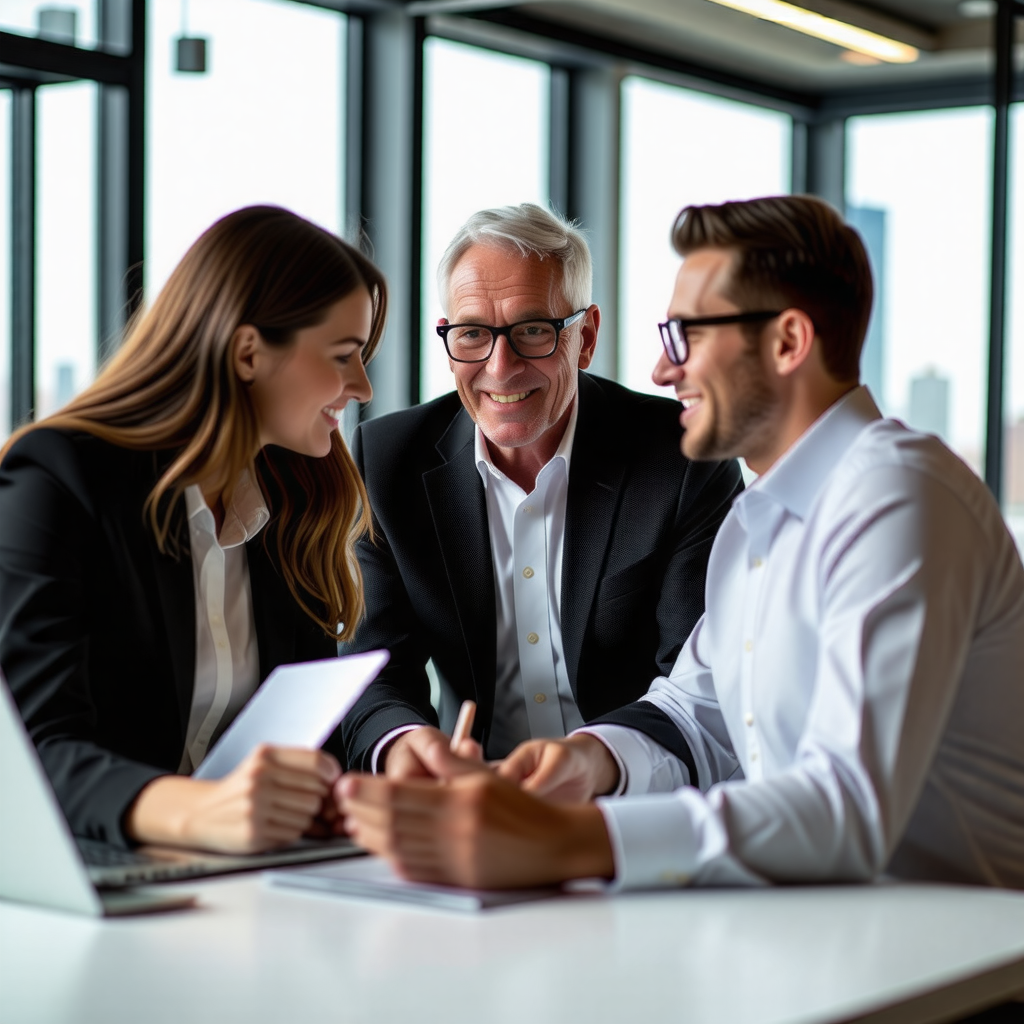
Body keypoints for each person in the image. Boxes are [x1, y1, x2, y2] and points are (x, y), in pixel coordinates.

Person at [337, 194, 1024, 891]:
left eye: (686, 335)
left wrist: (569, 840)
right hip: (828, 921)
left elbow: (847, 806)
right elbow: (697, 712)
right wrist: (586, 760)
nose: (663, 372)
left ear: (788, 342)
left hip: (959, 939)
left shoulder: (894, 495)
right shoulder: (762, 518)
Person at [0, 206, 387, 855]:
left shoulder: (292, 504)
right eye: (344, 355)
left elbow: (306, 746)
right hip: (86, 879)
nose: (364, 387)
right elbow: (33, 754)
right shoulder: (58, 479)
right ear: (248, 353)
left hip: (246, 880)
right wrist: (200, 812)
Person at [336, 203, 743, 776]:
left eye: (533, 331)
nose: (500, 367)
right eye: (472, 334)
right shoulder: (386, 463)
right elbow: (371, 675)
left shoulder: (682, 458)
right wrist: (407, 750)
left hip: (630, 794)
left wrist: (594, 772)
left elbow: (701, 689)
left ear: (585, 337)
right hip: (465, 792)